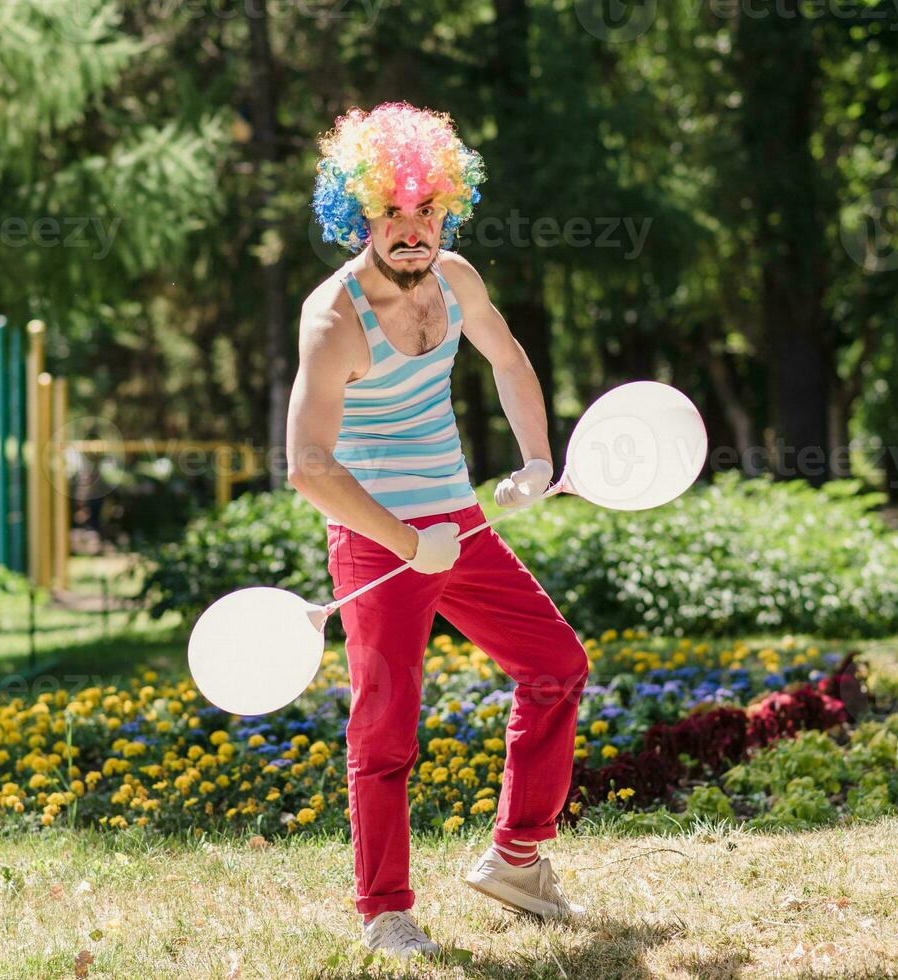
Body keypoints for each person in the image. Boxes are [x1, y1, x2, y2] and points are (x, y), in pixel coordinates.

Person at [286, 102, 589, 959]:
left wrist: (534, 460)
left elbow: (509, 359)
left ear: (447, 208)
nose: (413, 229)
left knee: (558, 666)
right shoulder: (333, 319)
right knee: (385, 729)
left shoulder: (457, 279)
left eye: (427, 210)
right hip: (379, 538)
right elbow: (308, 466)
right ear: (360, 216)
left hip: (458, 521)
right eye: (392, 211)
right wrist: (406, 540)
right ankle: (385, 910)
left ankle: (516, 859)